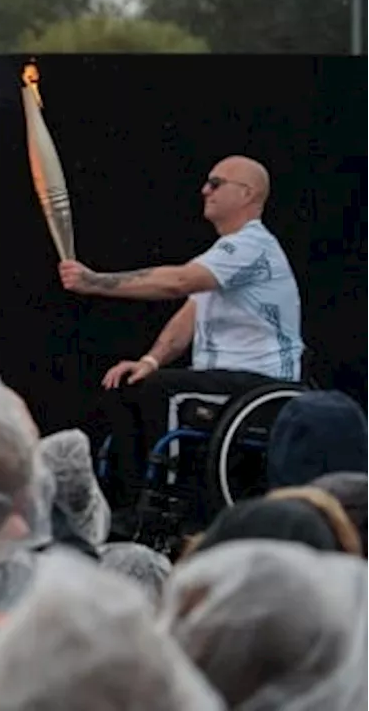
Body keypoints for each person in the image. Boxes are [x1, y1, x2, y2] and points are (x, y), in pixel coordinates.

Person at [59, 155, 305, 516]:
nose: (204, 190)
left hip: (262, 385)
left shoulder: (253, 246)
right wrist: (149, 360)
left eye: (215, 183)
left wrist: (94, 281)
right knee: (128, 384)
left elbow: (177, 282)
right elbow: (188, 316)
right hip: (226, 381)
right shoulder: (224, 254)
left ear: (247, 192)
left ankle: (165, 505)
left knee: (162, 390)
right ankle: (126, 503)